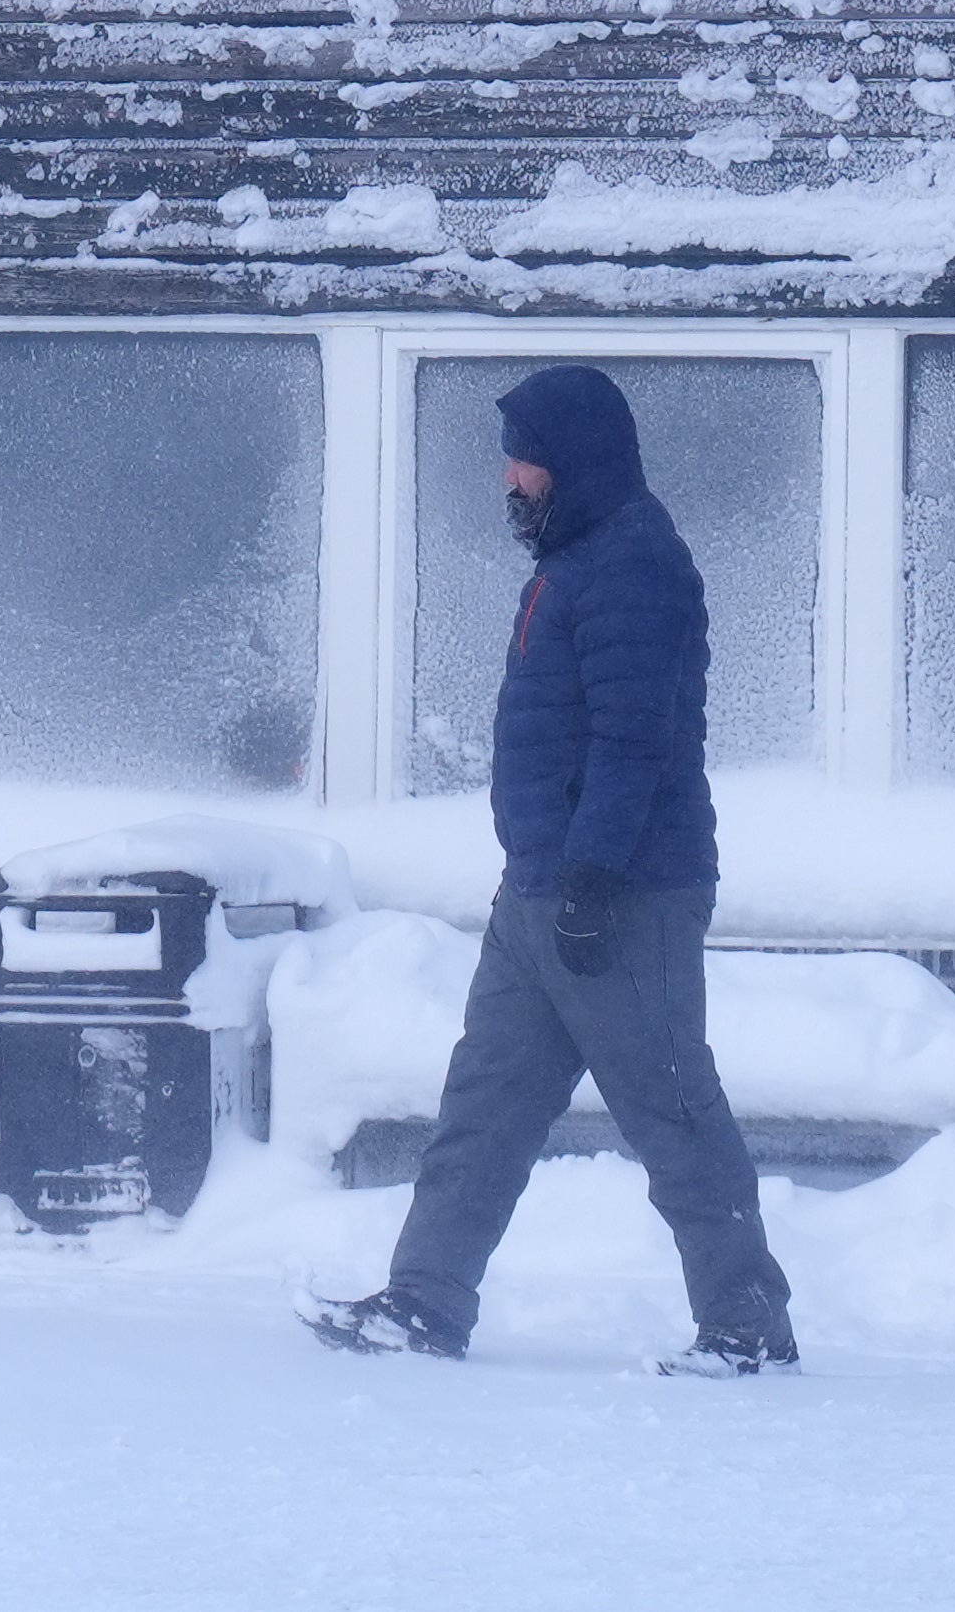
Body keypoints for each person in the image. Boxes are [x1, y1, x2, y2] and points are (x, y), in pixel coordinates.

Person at [303, 364, 799, 1375]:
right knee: (482, 1105)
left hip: (620, 893)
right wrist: (551, 875)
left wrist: (590, 874)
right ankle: (425, 1303)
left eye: (521, 455)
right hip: (539, 889)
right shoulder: (575, 559)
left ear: (570, 459)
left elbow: (633, 737)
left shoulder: (632, 562)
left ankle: (747, 1323)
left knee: (672, 1109)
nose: (510, 475)